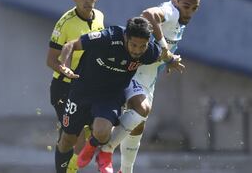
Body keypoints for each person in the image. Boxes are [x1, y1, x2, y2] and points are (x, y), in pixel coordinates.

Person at [93, 0, 201, 173]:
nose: (190, 12)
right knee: (140, 111)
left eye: (194, 8)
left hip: (149, 79)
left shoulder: (179, 20)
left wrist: (167, 60)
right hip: (137, 74)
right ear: (175, 1)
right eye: (186, 6)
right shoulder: (171, 11)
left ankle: (125, 170)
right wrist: (164, 48)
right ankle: (105, 149)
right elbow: (148, 15)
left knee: (137, 127)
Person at [55, 17, 183, 173]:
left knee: (103, 133)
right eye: (134, 45)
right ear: (125, 37)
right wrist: (65, 67)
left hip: (110, 95)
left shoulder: (149, 51)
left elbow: (163, 54)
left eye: (142, 46)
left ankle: (93, 144)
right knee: (67, 140)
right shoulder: (108, 37)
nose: (137, 50)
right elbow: (71, 45)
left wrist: (171, 60)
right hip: (83, 89)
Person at [46, 0, 104, 173]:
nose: (87, 0)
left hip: (89, 87)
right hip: (65, 88)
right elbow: (51, 60)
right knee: (71, 139)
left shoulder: (100, 17)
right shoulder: (64, 23)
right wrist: (66, 70)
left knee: (88, 138)